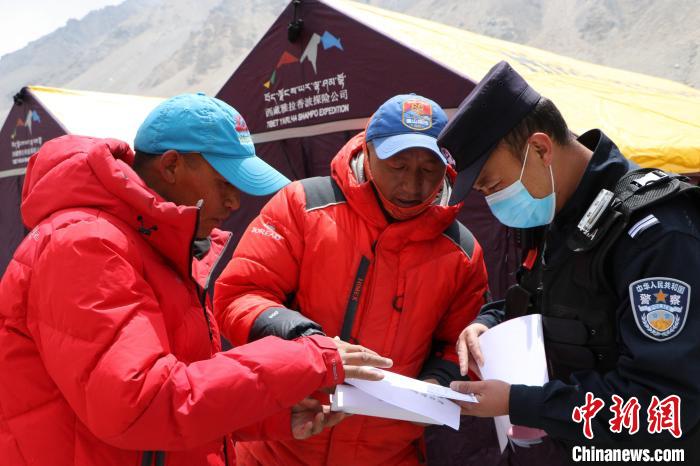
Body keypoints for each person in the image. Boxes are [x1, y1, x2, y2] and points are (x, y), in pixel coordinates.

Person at [0, 93, 392, 466]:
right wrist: (305, 359)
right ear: (171, 165)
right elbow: (140, 404)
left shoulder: (151, 245)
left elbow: (178, 393)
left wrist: (268, 414)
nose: (235, 202)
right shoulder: (85, 244)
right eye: (225, 183)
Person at [440, 61, 700, 463]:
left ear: (540, 149)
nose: (493, 202)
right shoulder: (558, 216)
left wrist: (521, 403)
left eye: (493, 185)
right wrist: (488, 323)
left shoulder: (655, 234)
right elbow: (543, 301)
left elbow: (666, 405)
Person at [214, 94, 489, 465]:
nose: (412, 185)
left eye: (429, 170)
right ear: (368, 151)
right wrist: (307, 342)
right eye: (397, 165)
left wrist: (437, 384)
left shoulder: (463, 253)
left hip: (389, 454)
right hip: (278, 444)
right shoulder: (302, 206)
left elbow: (462, 344)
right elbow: (239, 295)